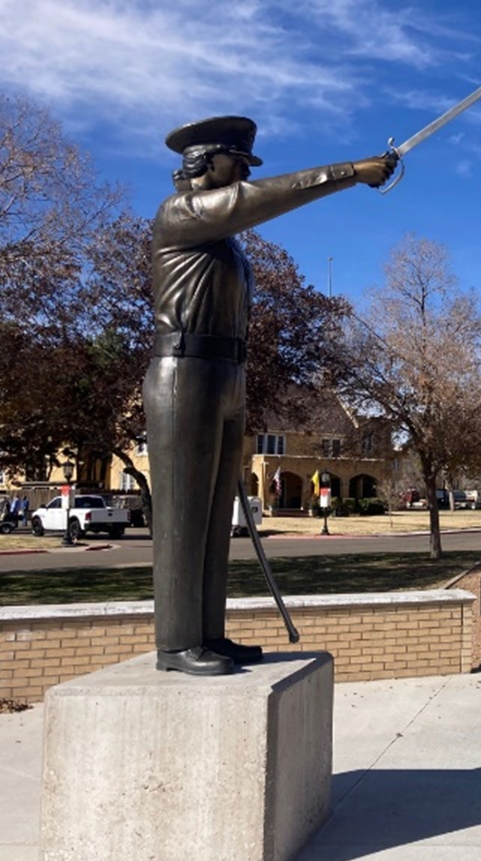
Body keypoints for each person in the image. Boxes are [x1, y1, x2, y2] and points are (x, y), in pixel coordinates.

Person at [146, 116, 396, 676]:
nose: (243, 173)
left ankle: (207, 634)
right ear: (204, 160)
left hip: (225, 373)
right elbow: (256, 199)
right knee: (183, 516)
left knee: (215, 519)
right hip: (185, 371)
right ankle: (176, 644)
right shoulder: (180, 213)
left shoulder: (224, 240)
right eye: (237, 162)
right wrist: (350, 172)